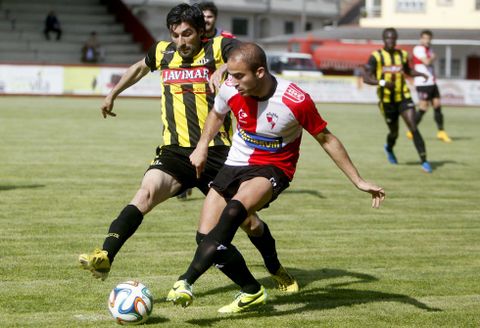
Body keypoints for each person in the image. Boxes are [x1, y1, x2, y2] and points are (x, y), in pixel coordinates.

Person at [78, 3, 298, 294]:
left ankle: (274, 267)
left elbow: (249, 51)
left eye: (187, 34)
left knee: (250, 223)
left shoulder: (219, 46)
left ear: (201, 32)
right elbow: (139, 68)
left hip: (219, 152)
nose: (180, 41)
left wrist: (223, 68)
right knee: (144, 194)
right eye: (175, 35)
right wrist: (112, 93)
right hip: (175, 151)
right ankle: (106, 254)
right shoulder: (162, 52)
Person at [166, 42, 385, 313]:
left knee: (234, 211)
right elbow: (216, 114)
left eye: (238, 76)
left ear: (259, 72)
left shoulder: (296, 100)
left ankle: (186, 280)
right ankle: (251, 290)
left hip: (274, 167)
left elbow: (326, 139)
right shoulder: (229, 88)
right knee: (206, 239)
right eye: (230, 75)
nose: (231, 81)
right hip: (235, 163)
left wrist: (358, 180)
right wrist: (202, 146)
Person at [177, 1, 235, 201]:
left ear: (215, 18)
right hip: (195, 96)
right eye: (203, 16)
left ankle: (220, 180)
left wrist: (223, 68)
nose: (206, 19)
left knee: (216, 139)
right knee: (190, 133)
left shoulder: (225, 39)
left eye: (210, 16)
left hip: (220, 99)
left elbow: (242, 56)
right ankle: (188, 177)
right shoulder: (191, 38)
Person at [363, 28, 432, 173]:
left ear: (396, 40)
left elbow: (408, 70)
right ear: (383, 39)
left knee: (413, 127)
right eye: (388, 38)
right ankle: (389, 148)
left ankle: (424, 160)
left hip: (404, 97)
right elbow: (366, 78)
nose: (391, 41)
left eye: (393, 38)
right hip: (387, 101)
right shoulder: (376, 56)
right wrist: (382, 83)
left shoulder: (402, 54)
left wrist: (420, 74)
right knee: (394, 132)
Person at [408, 30, 451, 143]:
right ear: (421, 39)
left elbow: (429, 61)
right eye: (425, 38)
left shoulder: (429, 50)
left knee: (437, 105)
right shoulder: (418, 49)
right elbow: (426, 62)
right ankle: (411, 129)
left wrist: (432, 56)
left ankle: (441, 131)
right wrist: (433, 57)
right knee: (423, 107)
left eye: (429, 38)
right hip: (422, 83)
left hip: (432, 81)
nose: (427, 40)